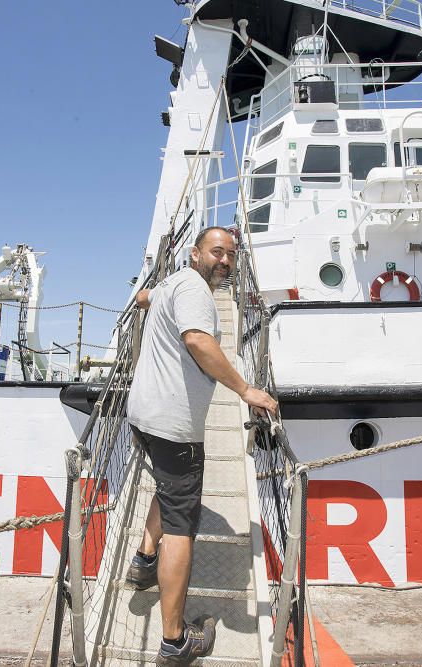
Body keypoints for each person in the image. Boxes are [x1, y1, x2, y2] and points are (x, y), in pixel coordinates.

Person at [126, 226, 278, 665]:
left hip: (143, 417)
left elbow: (143, 299)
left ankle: (143, 558)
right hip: (175, 429)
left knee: (168, 490)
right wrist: (246, 389)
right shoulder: (196, 291)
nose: (225, 261)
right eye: (217, 252)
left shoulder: (173, 283)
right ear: (195, 254)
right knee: (181, 528)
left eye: (230, 255)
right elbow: (197, 340)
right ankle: (175, 641)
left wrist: (148, 296)